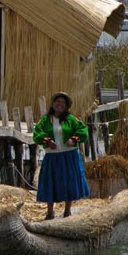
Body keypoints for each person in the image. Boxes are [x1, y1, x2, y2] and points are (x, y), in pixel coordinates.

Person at [32, 92, 90, 220]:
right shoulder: (45, 120)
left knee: (69, 182)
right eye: (57, 101)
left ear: (66, 106)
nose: (59, 104)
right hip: (52, 157)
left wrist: (73, 139)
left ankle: (67, 211)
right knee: (51, 182)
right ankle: (50, 212)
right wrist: (47, 141)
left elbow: (83, 130)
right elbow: (37, 133)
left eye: (62, 102)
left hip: (69, 156)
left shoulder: (71, 119)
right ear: (53, 104)